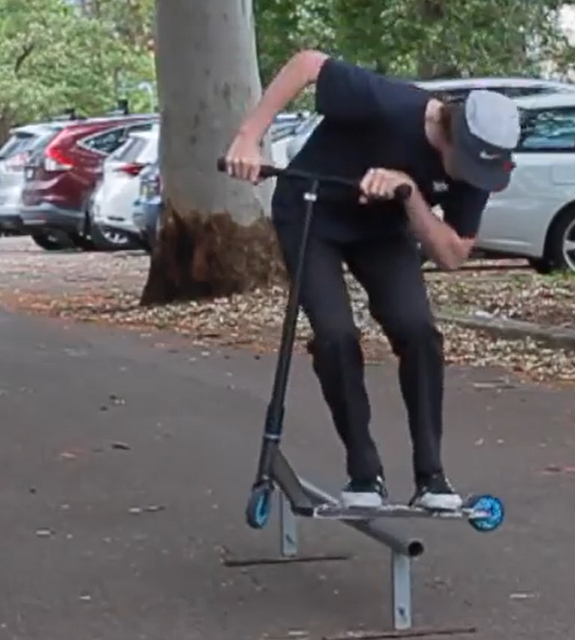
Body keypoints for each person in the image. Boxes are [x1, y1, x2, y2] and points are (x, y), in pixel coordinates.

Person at [222, 51, 520, 511]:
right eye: (467, 166)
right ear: (448, 136)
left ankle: (432, 478)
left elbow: (452, 254)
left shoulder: (476, 169)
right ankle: (363, 472)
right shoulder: (388, 105)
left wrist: (409, 192)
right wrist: (249, 137)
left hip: (381, 229)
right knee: (337, 334)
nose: (471, 179)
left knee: (418, 330)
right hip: (311, 207)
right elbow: (307, 65)